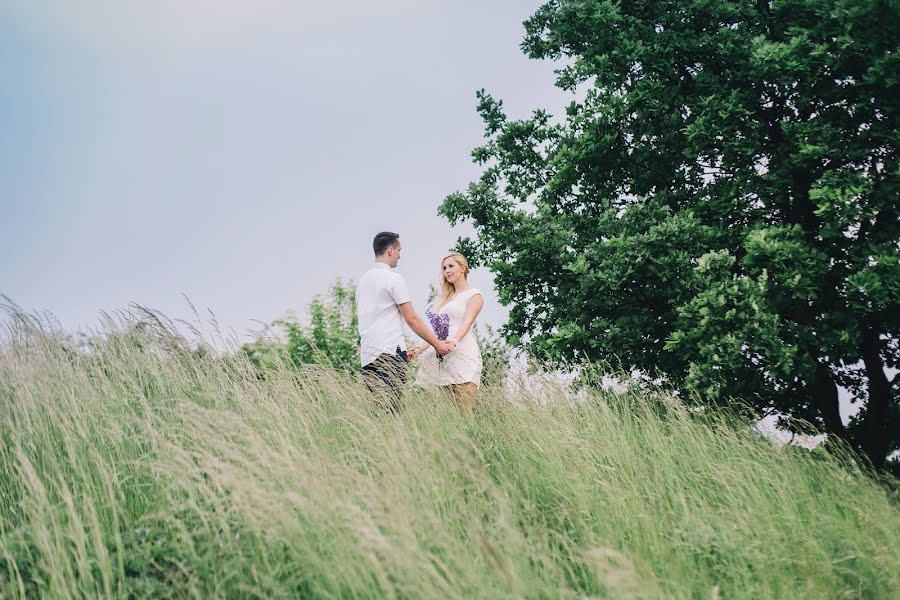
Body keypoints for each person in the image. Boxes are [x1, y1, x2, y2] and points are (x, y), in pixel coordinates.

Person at [356, 232, 454, 408]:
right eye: (399, 250)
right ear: (391, 250)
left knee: (376, 412)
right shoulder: (393, 279)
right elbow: (412, 319)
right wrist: (437, 344)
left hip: (368, 355)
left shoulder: (363, 282)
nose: (400, 255)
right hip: (389, 354)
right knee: (393, 411)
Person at [409, 252, 484, 411]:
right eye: (444, 268)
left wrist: (454, 342)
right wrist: (418, 350)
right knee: (449, 414)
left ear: (462, 268)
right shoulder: (446, 300)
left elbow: (467, 322)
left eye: (451, 266)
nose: (447, 271)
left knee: (464, 411)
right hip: (444, 358)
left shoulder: (474, 295)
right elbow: (436, 332)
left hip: (464, 355)